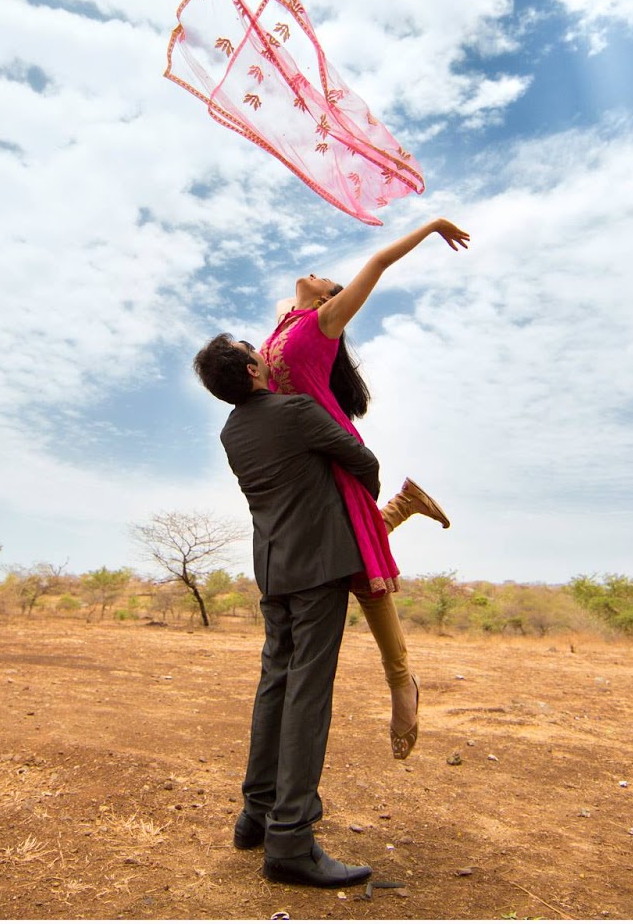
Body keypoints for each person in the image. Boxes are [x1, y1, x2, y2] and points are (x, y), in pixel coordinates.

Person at [260, 216, 470, 761]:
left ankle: (401, 681)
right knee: (353, 550)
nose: (311, 273)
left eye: (324, 277)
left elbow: (376, 263)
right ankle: (404, 505)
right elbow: (290, 295)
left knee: (360, 570)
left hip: (333, 452)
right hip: (302, 456)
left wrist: (430, 228)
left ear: (333, 296)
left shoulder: (326, 320)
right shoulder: (288, 320)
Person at [193, 333, 378, 888]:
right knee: (307, 693)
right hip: (319, 565)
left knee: (276, 682)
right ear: (253, 369)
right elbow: (364, 462)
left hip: (273, 570)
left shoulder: (232, 431)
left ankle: (256, 814)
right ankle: (291, 839)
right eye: (258, 352)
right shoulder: (295, 411)